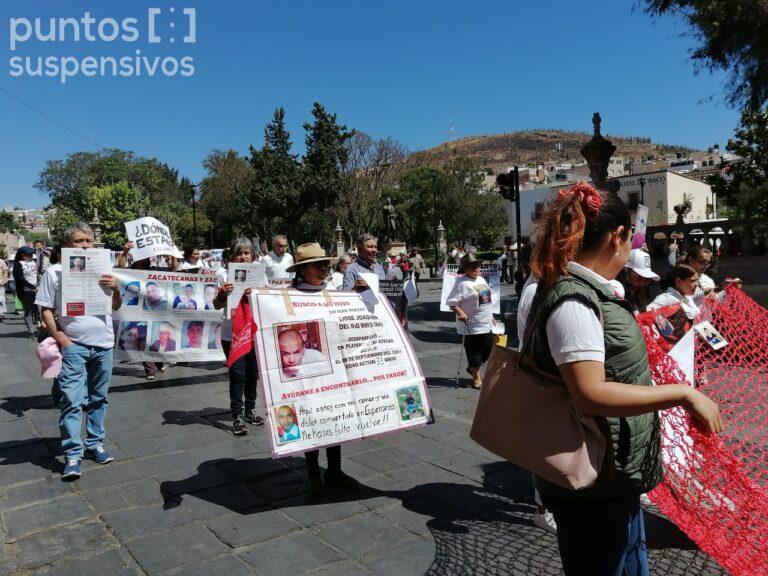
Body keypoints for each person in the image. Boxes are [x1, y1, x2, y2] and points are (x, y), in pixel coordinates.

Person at [522, 181, 721, 575]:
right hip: (597, 480)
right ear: (617, 237)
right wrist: (683, 394)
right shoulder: (575, 301)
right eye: (630, 239)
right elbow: (590, 394)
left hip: (614, 475)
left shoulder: (585, 291)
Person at [35, 223, 123, 480]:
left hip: (104, 345)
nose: (85, 244)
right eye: (79, 241)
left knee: (99, 399)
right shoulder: (55, 272)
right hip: (74, 346)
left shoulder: (104, 270)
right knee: (72, 401)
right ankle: (73, 454)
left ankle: (95, 444)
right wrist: (62, 338)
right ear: (67, 246)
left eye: (89, 240)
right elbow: (45, 309)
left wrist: (115, 289)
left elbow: (115, 306)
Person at [287, 242, 358, 497]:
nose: (323, 269)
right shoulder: (288, 295)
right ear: (302, 270)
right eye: (317, 265)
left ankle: (335, 470)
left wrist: (362, 297)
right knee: (310, 419)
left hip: (336, 368)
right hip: (305, 373)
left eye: (325, 264)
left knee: (335, 418)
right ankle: (313, 474)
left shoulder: (336, 291)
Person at [214, 238, 263, 436]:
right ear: (231, 258)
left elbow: (267, 301)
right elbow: (217, 305)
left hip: (253, 332)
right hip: (231, 333)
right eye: (239, 254)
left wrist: (257, 294)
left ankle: (250, 409)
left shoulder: (260, 275)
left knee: (253, 374)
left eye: (247, 253)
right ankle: (237, 416)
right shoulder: (224, 276)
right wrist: (224, 295)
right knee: (238, 375)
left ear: (253, 256)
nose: (243, 257)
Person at [446, 253, 494, 389]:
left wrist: (491, 316)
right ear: (465, 269)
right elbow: (451, 302)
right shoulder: (461, 283)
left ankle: (472, 367)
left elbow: (486, 300)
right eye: (472, 266)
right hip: (471, 324)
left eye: (477, 266)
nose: (476, 268)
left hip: (485, 322)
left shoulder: (481, 280)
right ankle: (476, 377)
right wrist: (460, 313)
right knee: (474, 352)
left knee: (488, 348)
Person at [616, 248, 661, 315]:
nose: (642, 283)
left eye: (647, 279)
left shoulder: (640, 294)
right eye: (639, 277)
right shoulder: (615, 293)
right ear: (625, 272)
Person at [13, 245, 40, 338]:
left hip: (36, 290)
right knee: (28, 311)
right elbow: (19, 278)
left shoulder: (33, 262)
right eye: (28, 254)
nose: (30, 256)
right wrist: (32, 286)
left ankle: (40, 328)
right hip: (25, 291)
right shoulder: (18, 264)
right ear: (22, 255)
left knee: (38, 310)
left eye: (31, 254)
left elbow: (37, 275)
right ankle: (31, 331)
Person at [0, 255, 8, 322]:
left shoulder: (2, 261)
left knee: (1, 299)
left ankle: (1, 315)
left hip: (0, 283)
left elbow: (5, 272)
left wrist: (4, 281)